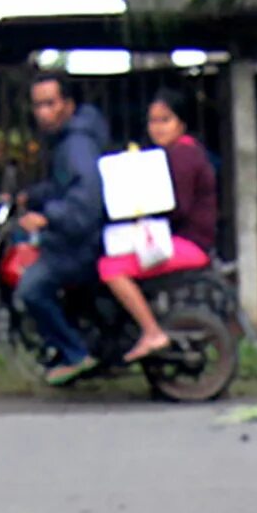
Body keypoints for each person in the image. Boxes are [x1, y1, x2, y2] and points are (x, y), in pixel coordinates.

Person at [100, 90, 222, 363]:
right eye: (153, 121)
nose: (157, 128)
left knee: (110, 268)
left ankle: (152, 332)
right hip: (180, 240)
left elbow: (177, 207)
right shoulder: (173, 153)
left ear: (181, 123)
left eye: (165, 120)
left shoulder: (183, 156)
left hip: (189, 244)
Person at [16, 73, 111, 383]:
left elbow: (84, 202)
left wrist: (47, 218)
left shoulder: (77, 144)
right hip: (74, 236)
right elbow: (62, 187)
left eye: (50, 104)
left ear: (68, 105)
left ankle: (75, 354)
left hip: (82, 242)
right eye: (37, 105)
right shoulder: (67, 140)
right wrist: (30, 196)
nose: (43, 112)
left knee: (31, 287)